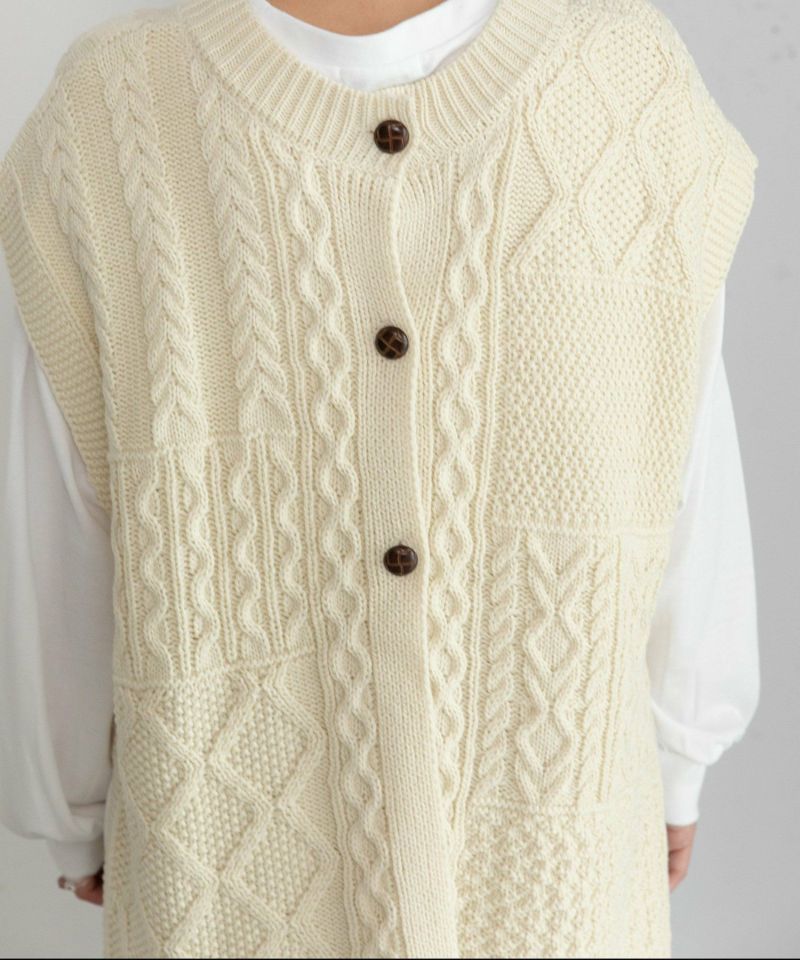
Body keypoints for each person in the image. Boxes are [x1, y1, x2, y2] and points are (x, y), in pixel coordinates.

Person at [0, 0, 760, 957]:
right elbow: (687, 464)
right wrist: (681, 754)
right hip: (491, 851)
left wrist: (70, 804)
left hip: (280, 864)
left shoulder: (114, 101)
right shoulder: (624, 73)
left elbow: (58, 530)